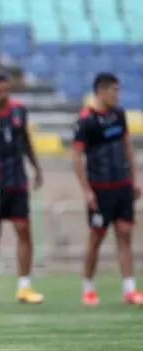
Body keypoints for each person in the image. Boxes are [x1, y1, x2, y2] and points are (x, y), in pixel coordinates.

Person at [71, 72, 142, 306]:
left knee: (125, 234)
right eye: (114, 90)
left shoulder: (119, 115)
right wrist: (87, 191)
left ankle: (129, 289)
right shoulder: (86, 120)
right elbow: (76, 157)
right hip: (100, 189)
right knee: (96, 238)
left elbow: (127, 148)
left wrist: (134, 179)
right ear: (100, 92)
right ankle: (88, 288)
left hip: (122, 185)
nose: (117, 95)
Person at [0, 72, 44, 304]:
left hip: (18, 181)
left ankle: (24, 286)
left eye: (6, 90)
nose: (4, 95)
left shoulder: (19, 110)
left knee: (23, 230)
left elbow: (26, 140)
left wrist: (36, 168)